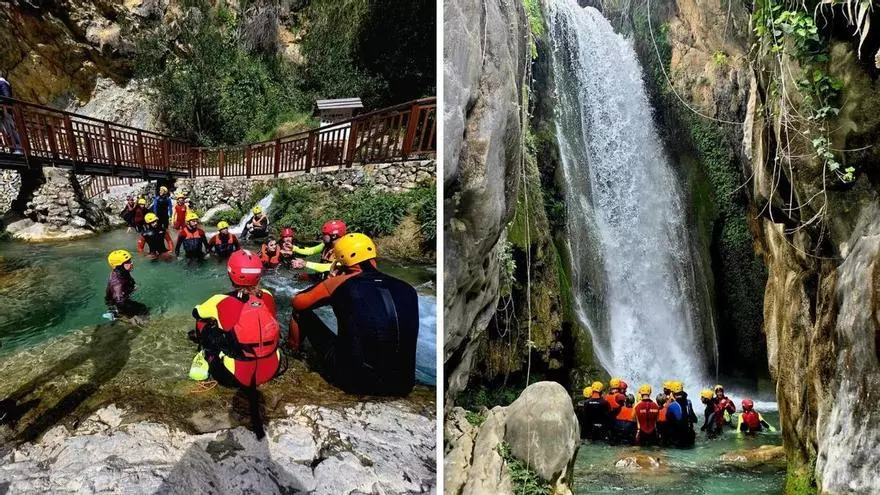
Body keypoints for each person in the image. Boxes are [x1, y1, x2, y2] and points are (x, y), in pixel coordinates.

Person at [289, 233, 419, 396]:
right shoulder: (408, 288)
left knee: (300, 313)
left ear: (340, 262)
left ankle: (292, 355)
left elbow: (297, 301)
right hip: (403, 385)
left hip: (356, 383)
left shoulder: (338, 283)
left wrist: (328, 281)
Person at [189, 250, 281, 389]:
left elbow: (196, 312)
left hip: (234, 377)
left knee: (203, 322)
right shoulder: (268, 296)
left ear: (230, 274)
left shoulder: (220, 300)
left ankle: (205, 354)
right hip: (272, 369)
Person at [105, 250, 148, 322]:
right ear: (119, 265)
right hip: (117, 304)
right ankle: (117, 315)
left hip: (120, 298)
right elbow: (119, 302)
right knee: (143, 308)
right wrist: (130, 316)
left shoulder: (122, 271)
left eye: (130, 260)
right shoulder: (117, 283)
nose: (131, 263)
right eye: (128, 262)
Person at [664, 381, 697, 448]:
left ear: (672, 393)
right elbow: (695, 419)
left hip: (678, 440)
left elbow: (667, 420)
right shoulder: (689, 402)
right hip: (690, 438)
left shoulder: (671, 406)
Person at [0, 74, 22, 154]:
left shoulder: (2, 83)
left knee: (10, 129)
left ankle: (18, 148)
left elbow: (7, 97)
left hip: (6, 111)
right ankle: (12, 148)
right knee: (6, 130)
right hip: (2, 111)